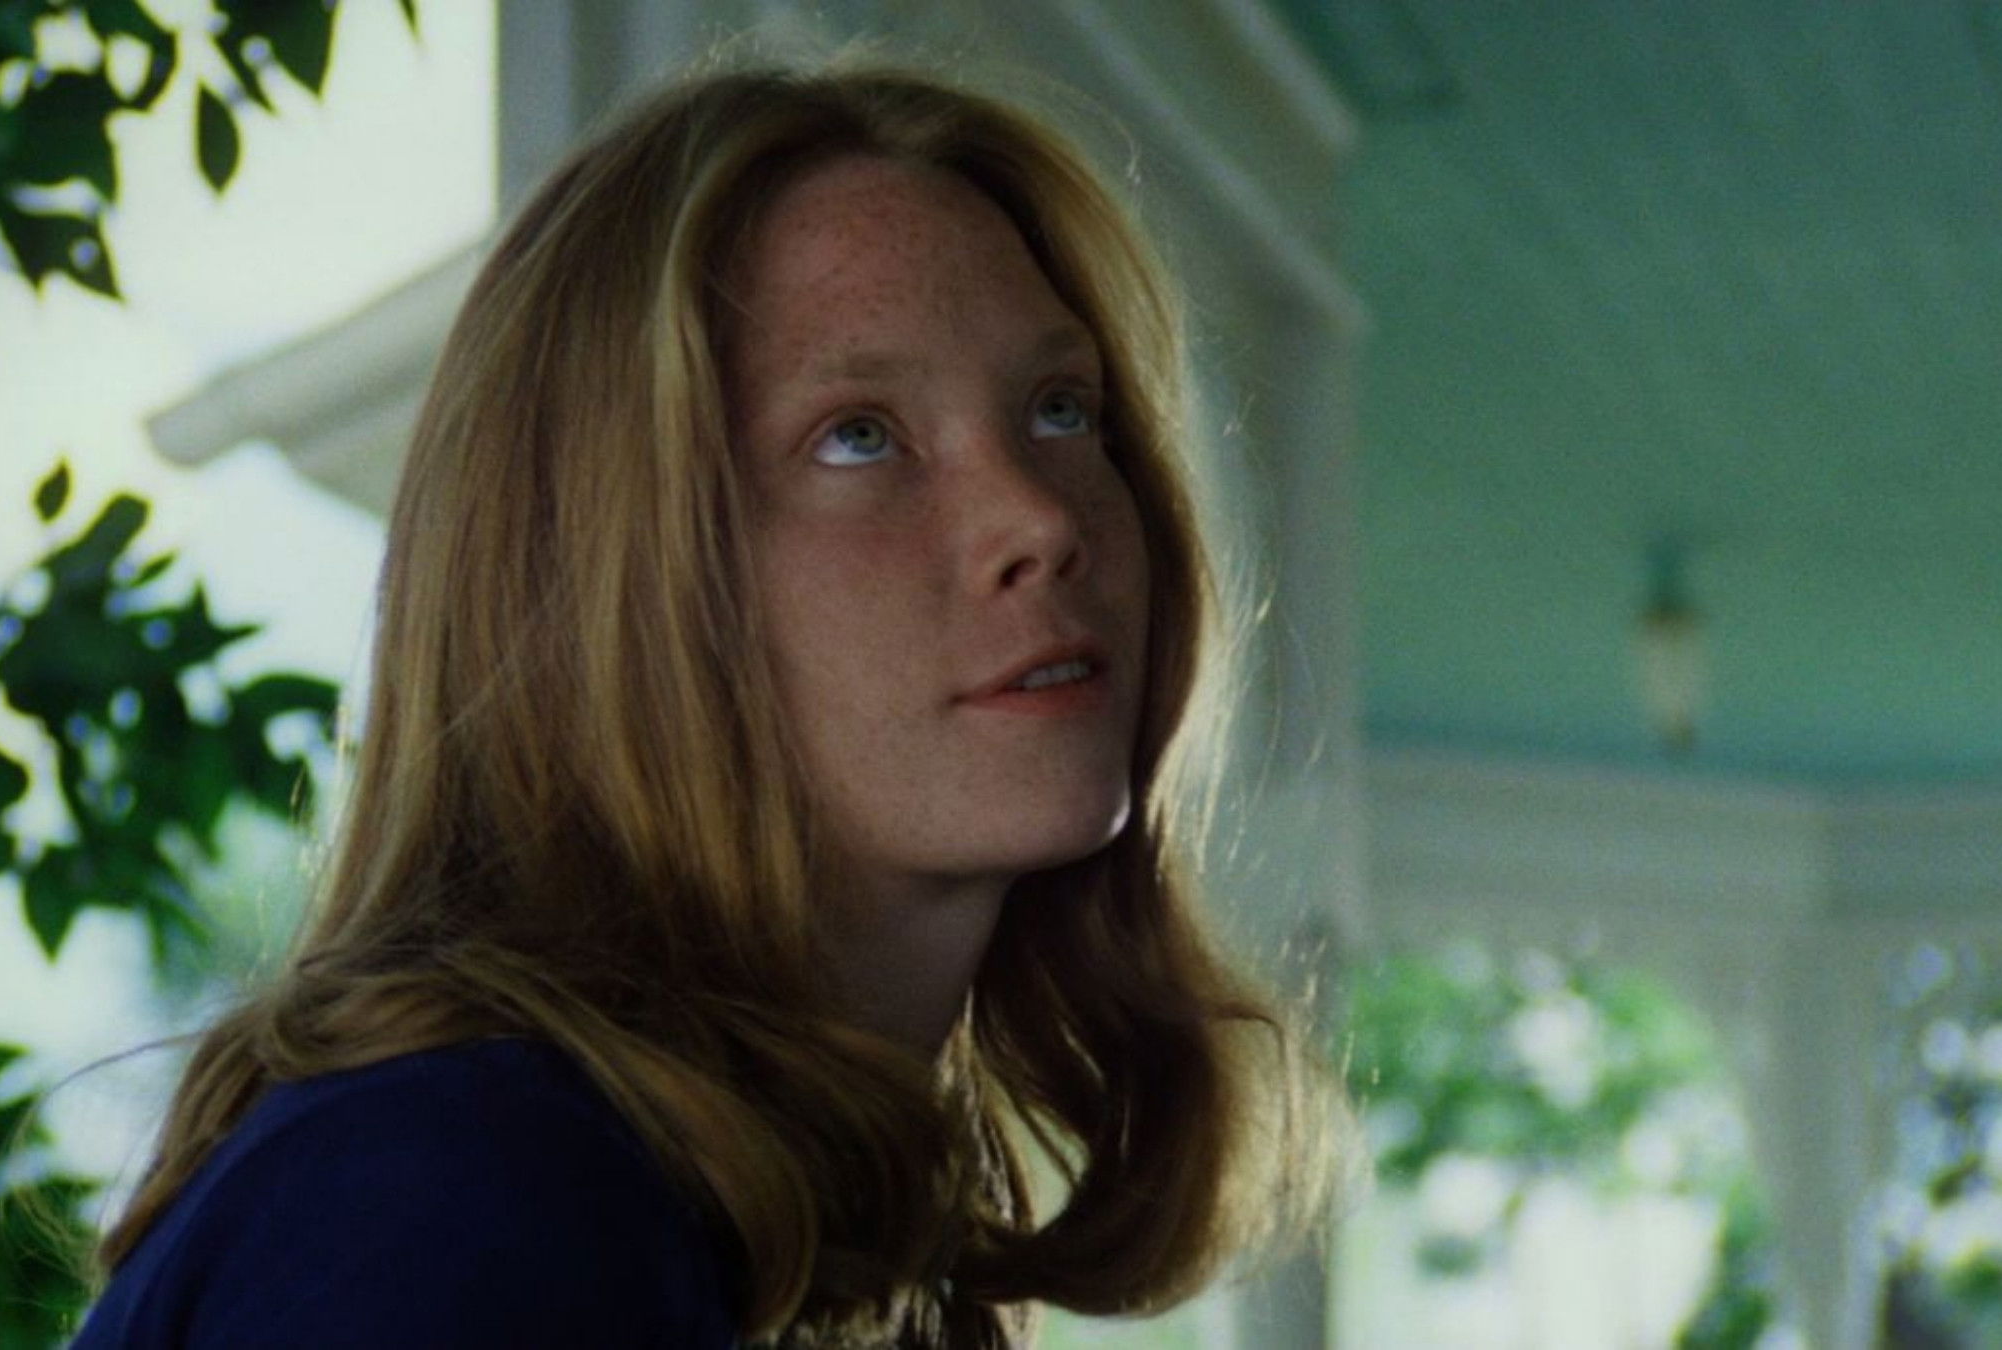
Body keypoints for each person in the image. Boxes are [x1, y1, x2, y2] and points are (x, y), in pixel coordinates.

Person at [71, 56, 1338, 1348]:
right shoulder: (456, 1196)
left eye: (1062, 410)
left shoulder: (791, 1227)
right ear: (602, 582)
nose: (1041, 518)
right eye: (858, 434)